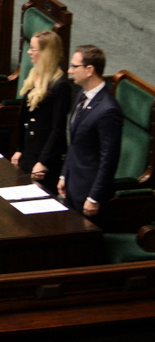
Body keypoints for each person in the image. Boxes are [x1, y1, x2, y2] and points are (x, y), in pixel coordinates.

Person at [59, 45, 123, 218]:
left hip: (87, 193)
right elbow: (75, 144)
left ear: (89, 70)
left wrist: (94, 197)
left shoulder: (108, 110)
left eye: (74, 66)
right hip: (72, 184)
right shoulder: (83, 94)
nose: (69, 70)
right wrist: (65, 174)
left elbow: (108, 159)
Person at [11, 31, 73, 193]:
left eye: (33, 49)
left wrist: (43, 162)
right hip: (29, 150)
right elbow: (24, 118)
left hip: (45, 155)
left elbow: (57, 129)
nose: (29, 52)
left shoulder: (60, 86)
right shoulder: (35, 75)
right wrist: (19, 149)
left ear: (46, 53)